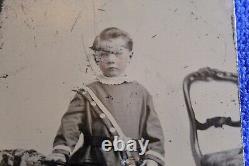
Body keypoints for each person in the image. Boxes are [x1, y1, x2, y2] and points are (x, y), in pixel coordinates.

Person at [46, 27, 165, 166]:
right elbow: (70, 126)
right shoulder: (86, 93)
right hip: (94, 159)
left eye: (118, 53)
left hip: (131, 159)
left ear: (130, 55)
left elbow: (154, 132)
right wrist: (61, 151)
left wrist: (152, 159)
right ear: (96, 57)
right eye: (104, 54)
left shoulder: (141, 93)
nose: (111, 60)